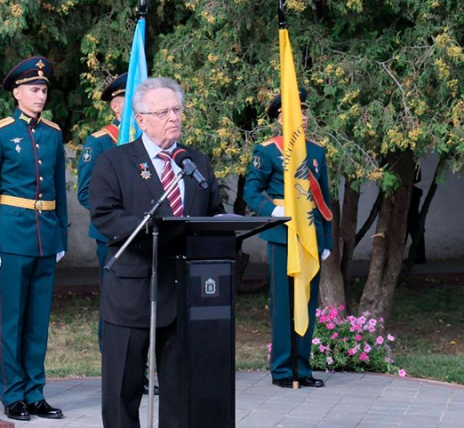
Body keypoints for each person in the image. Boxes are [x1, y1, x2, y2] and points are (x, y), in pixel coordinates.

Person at [90, 77, 225, 428]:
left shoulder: (195, 162)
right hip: (132, 289)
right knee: (122, 389)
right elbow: (104, 215)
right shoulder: (115, 161)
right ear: (140, 119)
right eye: (163, 112)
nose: (173, 118)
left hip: (184, 293)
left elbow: (213, 213)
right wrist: (152, 227)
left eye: (177, 110)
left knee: (181, 390)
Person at [0, 56, 68, 422]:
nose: (40, 95)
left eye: (43, 89)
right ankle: (13, 395)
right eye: (33, 89)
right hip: (12, 236)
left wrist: (61, 236)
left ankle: (35, 393)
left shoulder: (53, 134)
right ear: (17, 93)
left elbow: (58, 187)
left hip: (46, 236)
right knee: (13, 322)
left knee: (38, 322)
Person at [243, 88, 333, 389]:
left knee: (306, 301)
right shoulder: (268, 151)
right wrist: (274, 210)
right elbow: (251, 191)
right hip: (282, 234)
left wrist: (327, 241)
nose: (302, 118)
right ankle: (282, 369)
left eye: (304, 113)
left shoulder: (316, 152)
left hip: (310, 234)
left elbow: (324, 200)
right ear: (281, 119)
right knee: (283, 303)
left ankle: (303, 368)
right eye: (296, 113)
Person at [76, 72, 126, 350]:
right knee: (114, 297)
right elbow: (86, 193)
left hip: (144, 233)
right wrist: (117, 219)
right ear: (115, 106)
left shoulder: (150, 141)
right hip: (111, 236)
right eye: (129, 99)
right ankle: (113, 357)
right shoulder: (100, 142)